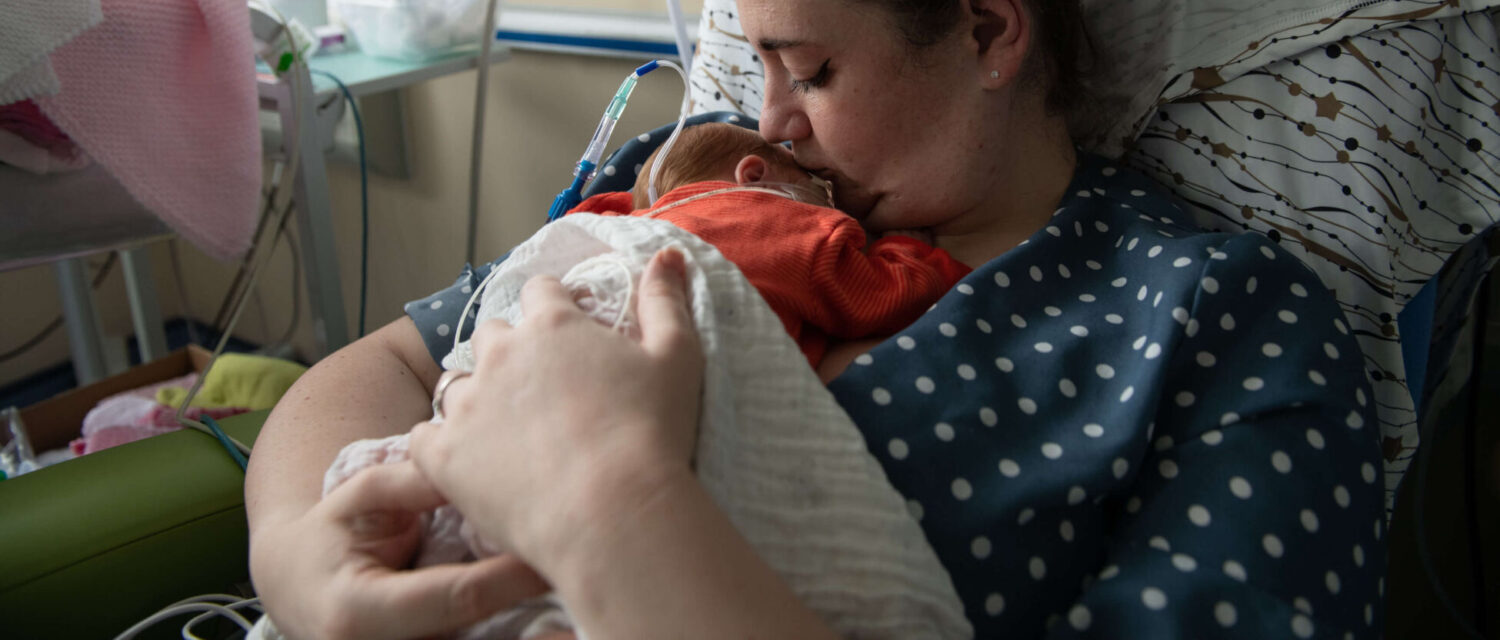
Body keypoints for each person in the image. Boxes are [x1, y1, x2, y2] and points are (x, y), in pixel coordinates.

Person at [245, 0, 1388, 638]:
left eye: (816, 69)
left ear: (991, 30)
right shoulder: (705, 175)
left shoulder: (1217, 317)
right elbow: (392, 358)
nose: (774, 120)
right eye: (757, 63)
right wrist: (297, 553)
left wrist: (609, 507)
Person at [573, 121, 971, 368]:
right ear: (754, 174)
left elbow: (570, 232)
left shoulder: (621, 223)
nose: (833, 210)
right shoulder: (788, 226)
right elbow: (889, 298)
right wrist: (906, 248)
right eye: (819, 192)